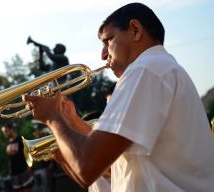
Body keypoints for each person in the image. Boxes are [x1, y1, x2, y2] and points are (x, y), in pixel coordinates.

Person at [23, 2, 214, 191]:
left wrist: (53, 118)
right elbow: (107, 170)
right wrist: (71, 121)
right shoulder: (160, 68)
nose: (103, 54)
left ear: (135, 30)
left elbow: (86, 167)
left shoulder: (145, 69)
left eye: (108, 40)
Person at [1, 124, 34, 192]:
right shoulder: (8, 144)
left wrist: (29, 166)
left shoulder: (21, 139)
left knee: (28, 190)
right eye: (4, 132)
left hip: (24, 170)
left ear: (11, 129)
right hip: (14, 173)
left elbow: (29, 153)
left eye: (6, 131)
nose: (5, 133)